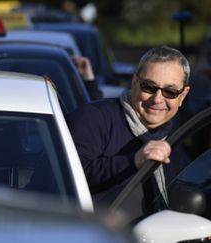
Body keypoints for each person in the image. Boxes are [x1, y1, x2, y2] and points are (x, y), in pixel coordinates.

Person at [66, 46, 190, 213]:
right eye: (149, 87)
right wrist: (133, 161)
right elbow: (64, 178)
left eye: (170, 91)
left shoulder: (178, 139)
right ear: (134, 83)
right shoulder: (93, 118)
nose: (157, 99)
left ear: (182, 96)